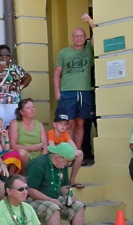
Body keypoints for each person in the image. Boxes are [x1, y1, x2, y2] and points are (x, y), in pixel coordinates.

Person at [25, 143, 94, 225]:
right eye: (68, 161)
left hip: (54, 198)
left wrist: (68, 195)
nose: (69, 164)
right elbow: (30, 190)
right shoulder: (38, 164)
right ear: (58, 157)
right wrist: (50, 199)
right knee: (54, 208)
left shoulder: (62, 165)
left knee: (79, 206)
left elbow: (63, 186)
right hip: (33, 200)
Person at [54, 14, 97, 149]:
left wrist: (89, 21)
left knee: (80, 124)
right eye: (76, 36)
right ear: (72, 38)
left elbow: (97, 33)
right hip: (67, 91)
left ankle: (77, 153)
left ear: (85, 38)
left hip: (84, 91)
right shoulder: (64, 53)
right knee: (68, 124)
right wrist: (57, 91)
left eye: (81, 36)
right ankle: (69, 153)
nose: (79, 38)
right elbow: (57, 73)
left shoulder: (89, 49)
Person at [8, 98, 47, 172]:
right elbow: (13, 146)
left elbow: (45, 146)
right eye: (29, 108)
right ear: (21, 112)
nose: (32, 109)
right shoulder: (15, 123)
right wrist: (32, 148)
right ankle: (25, 175)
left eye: (33, 107)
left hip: (38, 158)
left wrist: (41, 161)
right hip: (23, 157)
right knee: (22, 153)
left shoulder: (39, 124)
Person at [47, 114, 84, 188]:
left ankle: (72, 180)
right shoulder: (51, 133)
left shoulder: (65, 134)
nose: (63, 126)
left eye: (65, 124)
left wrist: (76, 152)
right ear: (54, 124)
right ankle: (60, 182)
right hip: (54, 157)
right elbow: (52, 147)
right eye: (60, 123)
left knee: (80, 155)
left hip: (62, 157)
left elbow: (73, 146)